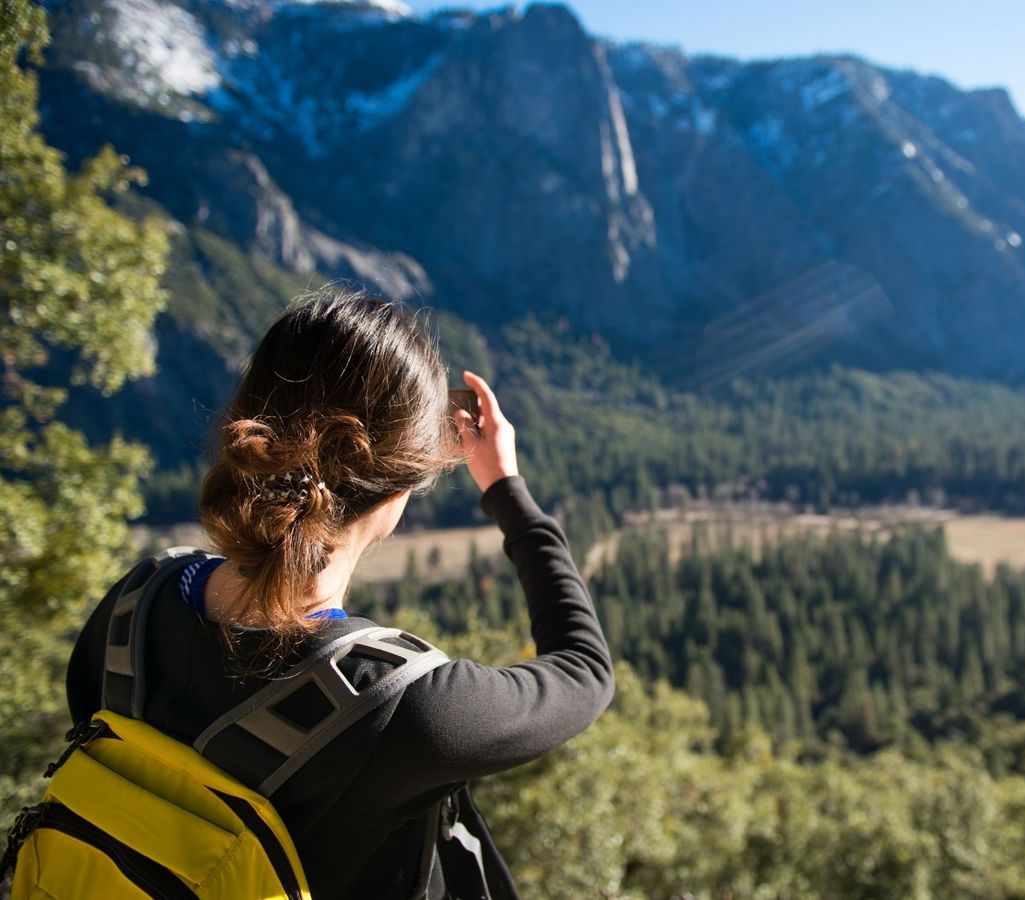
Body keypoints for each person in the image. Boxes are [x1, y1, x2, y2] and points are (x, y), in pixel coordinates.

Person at [64, 289, 615, 898]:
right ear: (404, 484)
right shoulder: (408, 710)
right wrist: (508, 492)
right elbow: (585, 672)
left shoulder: (131, 609)